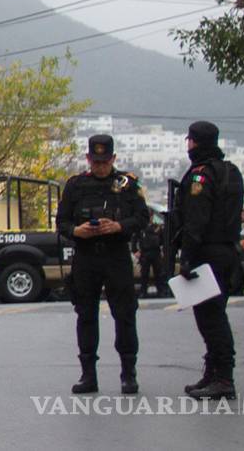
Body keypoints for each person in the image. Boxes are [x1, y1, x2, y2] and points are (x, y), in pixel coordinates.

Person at [56, 134, 148, 395]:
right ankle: (88, 375)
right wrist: (77, 231)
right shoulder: (75, 186)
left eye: (105, 162)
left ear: (113, 158)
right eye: (96, 162)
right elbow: (61, 222)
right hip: (86, 256)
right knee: (86, 316)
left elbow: (142, 218)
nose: (100, 167)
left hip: (116, 255)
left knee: (125, 315)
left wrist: (118, 226)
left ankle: (128, 373)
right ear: (88, 159)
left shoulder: (126, 184)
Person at [177, 121, 244, 400]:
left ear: (194, 142)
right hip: (228, 252)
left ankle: (224, 378)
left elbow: (196, 219)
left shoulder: (201, 175)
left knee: (211, 318)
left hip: (206, 254)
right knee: (214, 315)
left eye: (190, 141)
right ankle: (214, 372)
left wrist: (186, 256)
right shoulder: (231, 171)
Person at [133, 217, 165, 298]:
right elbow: (134, 238)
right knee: (144, 273)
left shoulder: (157, 227)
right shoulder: (141, 227)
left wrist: (163, 250)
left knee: (158, 273)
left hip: (156, 252)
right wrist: (135, 250)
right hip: (145, 252)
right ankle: (143, 292)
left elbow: (163, 239)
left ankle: (160, 291)